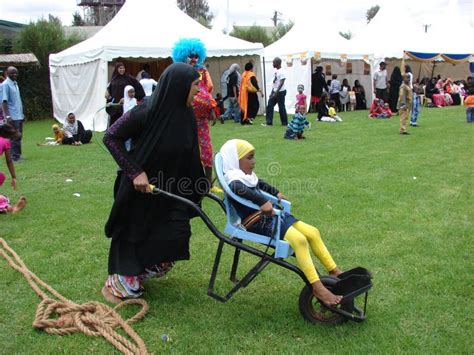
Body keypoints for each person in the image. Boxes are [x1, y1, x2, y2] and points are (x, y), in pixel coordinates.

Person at [101, 63, 209, 302]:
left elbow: (190, 152)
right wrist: (135, 172)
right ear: (179, 86)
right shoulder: (146, 110)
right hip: (139, 188)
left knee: (177, 234)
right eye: (195, 86)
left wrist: (198, 183)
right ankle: (123, 278)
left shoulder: (186, 114)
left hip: (169, 188)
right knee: (134, 234)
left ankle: (142, 270)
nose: (199, 91)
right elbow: (110, 137)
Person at [219, 139, 343, 306]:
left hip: (271, 217)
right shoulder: (234, 179)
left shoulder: (245, 176)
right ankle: (317, 287)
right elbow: (236, 188)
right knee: (299, 241)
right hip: (256, 222)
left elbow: (259, 183)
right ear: (235, 160)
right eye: (249, 158)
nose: (254, 162)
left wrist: (275, 192)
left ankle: (334, 272)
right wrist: (263, 201)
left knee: (313, 232)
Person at [171, 38, 220, 193]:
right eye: (189, 55)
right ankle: (184, 181)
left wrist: (212, 107)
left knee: (206, 148)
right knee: (185, 148)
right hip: (184, 117)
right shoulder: (178, 72)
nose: (193, 59)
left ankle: (208, 184)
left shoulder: (203, 72)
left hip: (201, 118)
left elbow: (207, 91)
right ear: (181, 55)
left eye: (195, 55)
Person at [105, 62, 145, 127]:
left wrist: (131, 98)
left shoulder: (129, 78)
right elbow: (109, 91)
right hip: (116, 106)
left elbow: (137, 86)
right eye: (120, 68)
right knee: (115, 124)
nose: (122, 70)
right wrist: (108, 92)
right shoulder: (113, 79)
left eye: (123, 68)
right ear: (116, 69)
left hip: (126, 104)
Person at [0, 119, 26, 214]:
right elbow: (9, 161)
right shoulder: (5, 142)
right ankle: (9, 208)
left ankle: (6, 207)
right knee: (1, 177)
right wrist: (14, 177)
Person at [1, 66, 24, 162]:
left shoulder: (15, 84)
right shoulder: (5, 85)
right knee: (15, 135)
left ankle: (18, 154)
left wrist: (22, 114)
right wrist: (8, 116)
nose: (14, 75)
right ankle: (14, 157)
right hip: (12, 115)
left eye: (16, 73)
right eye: (12, 73)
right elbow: (4, 101)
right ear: (7, 73)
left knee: (19, 135)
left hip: (19, 114)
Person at [263, 57, 288, 126]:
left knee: (281, 107)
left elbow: (282, 82)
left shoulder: (282, 71)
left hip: (280, 92)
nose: (273, 64)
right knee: (270, 105)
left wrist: (276, 92)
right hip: (274, 91)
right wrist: (272, 92)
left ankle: (284, 123)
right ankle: (269, 122)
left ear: (278, 63)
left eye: (274, 62)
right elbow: (275, 82)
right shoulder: (277, 71)